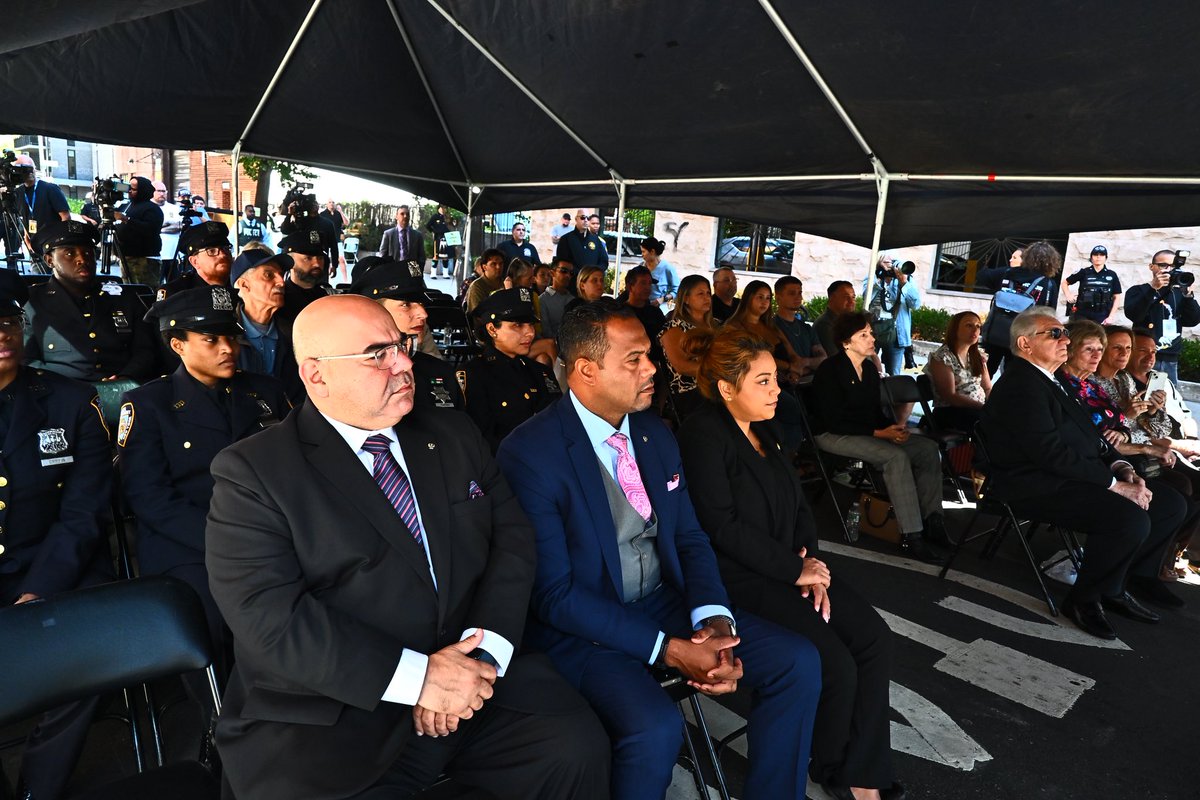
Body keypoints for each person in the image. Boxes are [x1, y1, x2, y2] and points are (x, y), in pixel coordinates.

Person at [205, 294, 609, 800]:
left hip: (474, 675)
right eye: (377, 354)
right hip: (336, 711)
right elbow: (270, 618)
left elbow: (512, 542)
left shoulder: (453, 433)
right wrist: (420, 679)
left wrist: (478, 658)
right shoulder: (254, 473)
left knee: (575, 747)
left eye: (402, 345)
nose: (403, 364)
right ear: (316, 375)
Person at [496, 300, 821, 800]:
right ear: (586, 369)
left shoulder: (654, 432)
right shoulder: (530, 453)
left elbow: (689, 538)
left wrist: (716, 623)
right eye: (634, 359)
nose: (652, 368)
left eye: (649, 355)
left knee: (797, 661)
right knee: (655, 727)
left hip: (660, 600)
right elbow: (554, 596)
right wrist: (670, 650)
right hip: (583, 628)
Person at [678, 327, 901, 800]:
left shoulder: (766, 428)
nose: (777, 389)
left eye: (775, 379)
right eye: (762, 381)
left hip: (794, 567)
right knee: (834, 660)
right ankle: (836, 766)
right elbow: (722, 525)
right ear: (726, 388)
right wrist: (791, 569)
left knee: (874, 639)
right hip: (742, 576)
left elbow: (799, 505)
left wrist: (811, 563)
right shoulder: (704, 432)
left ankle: (863, 768)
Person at [117, 286, 290, 690]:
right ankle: (221, 721)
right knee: (214, 619)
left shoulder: (265, 391)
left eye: (230, 336)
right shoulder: (149, 404)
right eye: (210, 339)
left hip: (271, 533)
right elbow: (149, 497)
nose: (227, 347)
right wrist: (227, 540)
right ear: (177, 344)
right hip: (191, 544)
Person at [981, 306, 1186, 638]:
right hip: (1033, 485)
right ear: (1025, 344)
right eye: (1055, 334)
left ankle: (1114, 586)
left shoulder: (1053, 380)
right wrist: (1114, 486)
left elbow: (1093, 436)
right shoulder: (1021, 384)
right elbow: (1049, 454)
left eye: (1064, 333)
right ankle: (1084, 599)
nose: (1065, 339)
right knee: (1128, 518)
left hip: (1071, 476)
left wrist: (1120, 467)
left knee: (1170, 504)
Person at [0, 288, 114, 800]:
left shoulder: (68, 401)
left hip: (53, 566)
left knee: (83, 659)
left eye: (6, 321)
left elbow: (83, 512)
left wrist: (38, 588)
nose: (2, 334)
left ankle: (37, 791)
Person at [811, 311, 948, 563]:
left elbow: (874, 413)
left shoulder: (870, 370)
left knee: (927, 448)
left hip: (864, 432)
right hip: (832, 434)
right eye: (863, 335)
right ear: (846, 342)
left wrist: (893, 430)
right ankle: (912, 535)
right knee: (894, 457)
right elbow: (833, 420)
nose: (871, 338)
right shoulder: (830, 370)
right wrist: (880, 433)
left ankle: (933, 521)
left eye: (870, 333)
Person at [22, 219, 159, 383]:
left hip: (122, 390)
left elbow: (145, 350)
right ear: (49, 260)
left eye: (87, 252)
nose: (82, 259)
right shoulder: (31, 302)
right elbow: (26, 359)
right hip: (59, 393)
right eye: (69, 253)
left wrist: (125, 378)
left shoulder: (124, 297)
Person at [350, 260, 464, 412]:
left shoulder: (440, 371)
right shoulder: (349, 373)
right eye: (406, 305)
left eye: (422, 304)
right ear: (374, 310)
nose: (423, 314)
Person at [462, 288, 562, 452]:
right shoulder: (474, 375)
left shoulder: (540, 372)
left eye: (530, 324)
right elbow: (479, 440)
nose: (530, 332)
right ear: (492, 329)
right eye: (518, 325)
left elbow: (557, 423)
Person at [977, 242, 1062, 375]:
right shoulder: (1048, 284)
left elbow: (982, 276)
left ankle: (981, 395)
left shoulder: (1006, 273)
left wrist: (990, 260)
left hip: (996, 333)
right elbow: (1050, 316)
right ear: (1051, 262)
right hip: (1023, 339)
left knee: (985, 372)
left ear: (1027, 257)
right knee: (1013, 375)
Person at [230, 249, 303, 403]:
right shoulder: (224, 336)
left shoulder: (295, 333)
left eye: (281, 274)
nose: (281, 282)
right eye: (269, 275)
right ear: (244, 285)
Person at [1122, 249, 1200, 383]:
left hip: (1170, 356)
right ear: (1151, 267)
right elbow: (1134, 315)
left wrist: (1188, 297)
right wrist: (1153, 288)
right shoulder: (1138, 290)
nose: (1169, 270)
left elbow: (1192, 320)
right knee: (1136, 393)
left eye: (1174, 266)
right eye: (1164, 265)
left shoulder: (1179, 293)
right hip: (1143, 354)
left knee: (1167, 399)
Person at [725, 280, 808, 384]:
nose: (764, 302)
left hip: (785, 379)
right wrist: (790, 367)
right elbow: (751, 357)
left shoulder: (771, 325)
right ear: (749, 298)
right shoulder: (735, 327)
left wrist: (796, 369)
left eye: (768, 298)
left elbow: (791, 353)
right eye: (760, 297)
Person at [659, 274, 716, 421]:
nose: (706, 297)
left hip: (716, 384)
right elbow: (682, 366)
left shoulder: (717, 325)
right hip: (690, 391)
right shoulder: (674, 328)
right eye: (700, 294)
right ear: (686, 299)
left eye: (708, 293)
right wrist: (720, 370)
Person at [924, 311, 992, 432]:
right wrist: (983, 408)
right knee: (992, 426)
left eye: (978, 326)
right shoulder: (943, 357)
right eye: (969, 325)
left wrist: (994, 406)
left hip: (976, 410)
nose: (975, 330)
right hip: (952, 412)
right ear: (955, 329)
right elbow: (950, 396)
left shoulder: (978, 356)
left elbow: (987, 387)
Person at [7, 154, 69, 266]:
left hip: (53, 247)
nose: (29, 172)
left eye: (31, 168)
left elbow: (65, 217)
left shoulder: (50, 189)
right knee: (38, 278)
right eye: (25, 168)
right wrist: (27, 240)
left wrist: (62, 244)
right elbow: (23, 217)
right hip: (35, 248)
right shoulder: (18, 193)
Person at [865, 254, 921, 376]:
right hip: (872, 331)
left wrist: (904, 283)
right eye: (887, 262)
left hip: (896, 334)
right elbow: (866, 298)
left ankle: (889, 394)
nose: (891, 266)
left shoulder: (907, 279)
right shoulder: (873, 276)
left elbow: (916, 304)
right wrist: (881, 279)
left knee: (893, 374)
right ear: (879, 263)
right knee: (867, 369)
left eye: (894, 262)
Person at [157, 221, 234, 300]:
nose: (222, 255)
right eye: (211, 251)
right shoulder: (176, 293)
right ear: (195, 262)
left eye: (226, 249)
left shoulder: (242, 286)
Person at [114, 176, 165, 286]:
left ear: (142, 190)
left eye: (133, 189)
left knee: (144, 292)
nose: (129, 191)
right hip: (126, 257)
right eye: (129, 188)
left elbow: (150, 230)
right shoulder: (127, 205)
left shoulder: (152, 208)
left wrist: (127, 219)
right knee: (129, 293)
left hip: (143, 260)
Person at [774, 275, 827, 375]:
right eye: (792, 293)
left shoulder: (806, 328)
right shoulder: (771, 327)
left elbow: (823, 359)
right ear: (778, 298)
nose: (798, 297)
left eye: (800, 293)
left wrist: (804, 362)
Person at [277, 232, 331, 321]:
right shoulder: (280, 299)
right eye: (308, 258)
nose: (317, 264)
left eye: (320, 258)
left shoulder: (325, 296)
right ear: (290, 262)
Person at [1062, 244, 1121, 324]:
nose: (1098, 257)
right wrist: (1068, 295)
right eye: (1095, 254)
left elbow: (1117, 297)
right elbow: (1065, 283)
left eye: (1101, 255)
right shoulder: (1083, 272)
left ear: (1106, 258)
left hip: (1102, 315)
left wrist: (1110, 317)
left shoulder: (1112, 275)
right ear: (1091, 257)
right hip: (1082, 314)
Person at [619, 265, 666, 345]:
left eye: (650, 283)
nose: (648, 288)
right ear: (630, 287)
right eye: (643, 283)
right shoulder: (620, 313)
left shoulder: (655, 312)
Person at [814, 279, 857, 358]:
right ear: (832, 298)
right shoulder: (824, 325)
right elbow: (835, 358)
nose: (852, 301)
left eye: (853, 297)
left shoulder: (847, 322)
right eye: (846, 297)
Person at [378, 205, 426, 270]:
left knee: (416, 280)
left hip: (413, 269)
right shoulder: (388, 234)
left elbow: (422, 256)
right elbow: (382, 255)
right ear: (396, 216)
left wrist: (418, 271)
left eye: (407, 214)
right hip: (394, 269)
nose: (405, 216)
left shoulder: (417, 235)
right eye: (402, 214)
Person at [538, 258, 575, 341]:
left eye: (571, 273)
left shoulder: (573, 299)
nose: (568, 275)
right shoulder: (542, 300)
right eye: (563, 271)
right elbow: (546, 333)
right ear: (552, 273)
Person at [639, 236, 678, 307]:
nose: (642, 255)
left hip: (660, 309)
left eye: (643, 251)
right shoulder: (641, 267)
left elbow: (677, 290)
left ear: (652, 251)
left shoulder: (667, 268)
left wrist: (663, 299)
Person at [464, 248, 505, 313]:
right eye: (493, 264)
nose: (498, 267)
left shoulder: (505, 283)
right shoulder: (477, 286)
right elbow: (477, 315)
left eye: (501, 263)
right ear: (484, 267)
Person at [425, 204, 449, 277]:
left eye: (445, 208)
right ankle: (433, 273)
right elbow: (428, 225)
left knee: (445, 256)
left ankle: (445, 273)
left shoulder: (447, 217)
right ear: (439, 208)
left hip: (446, 238)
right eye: (442, 208)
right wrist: (433, 231)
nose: (443, 209)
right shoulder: (435, 217)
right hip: (438, 238)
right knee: (436, 255)